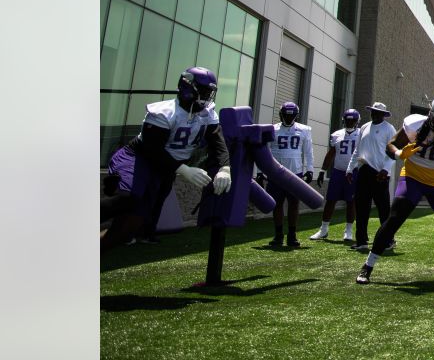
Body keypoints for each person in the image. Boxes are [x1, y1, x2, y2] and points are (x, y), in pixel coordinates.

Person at [101, 67, 232, 252]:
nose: (207, 97)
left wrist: (224, 168)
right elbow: (152, 149)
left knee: (136, 219)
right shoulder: (164, 112)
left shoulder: (208, 113)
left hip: (167, 166)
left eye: (209, 92)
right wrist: (183, 169)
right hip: (139, 158)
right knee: (130, 198)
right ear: (187, 87)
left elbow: (218, 143)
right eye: (203, 91)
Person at [356, 95, 434, 284]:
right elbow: (390, 145)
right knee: (394, 219)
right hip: (413, 177)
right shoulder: (415, 124)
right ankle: (368, 265)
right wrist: (400, 153)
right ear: (433, 116)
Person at [346, 101, 397, 252]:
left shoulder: (389, 129)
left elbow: (393, 152)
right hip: (363, 171)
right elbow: (357, 150)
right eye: (373, 111)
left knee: (383, 209)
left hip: (380, 174)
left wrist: (385, 170)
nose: (374, 114)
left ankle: (388, 240)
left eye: (378, 112)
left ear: (384, 115)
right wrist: (350, 169)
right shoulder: (364, 127)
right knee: (361, 208)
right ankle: (361, 241)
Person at [262, 101, 313, 247]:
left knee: (294, 204)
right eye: (286, 115)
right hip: (276, 172)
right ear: (281, 115)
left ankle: (292, 235)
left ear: (296, 116)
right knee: (277, 204)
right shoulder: (272, 129)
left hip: (295, 172)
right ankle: (278, 235)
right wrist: (261, 171)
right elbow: (265, 150)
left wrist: (310, 169)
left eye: (291, 116)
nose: (289, 118)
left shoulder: (305, 129)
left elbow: (308, 152)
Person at [310, 108, 361, 242]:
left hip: (354, 172)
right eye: (348, 120)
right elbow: (331, 153)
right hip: (338, 172)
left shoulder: (361, 134)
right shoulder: (336, 134)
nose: (350, 122)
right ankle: (324, 229)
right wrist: (322, 171)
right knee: (331, 200)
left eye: (352, 120)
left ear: (357, 121)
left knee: (351, 201)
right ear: (343, 120)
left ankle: (348, 230)